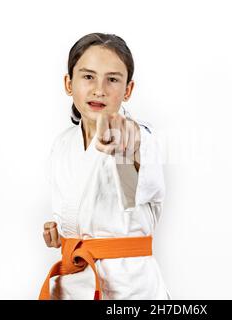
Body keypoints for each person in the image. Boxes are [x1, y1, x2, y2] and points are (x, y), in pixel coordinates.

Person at [40, 32, 171, 300]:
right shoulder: (62, 145)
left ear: (128, 90)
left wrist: (127, 147)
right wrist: (62, 234)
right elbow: (77, 211)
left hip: (128, 289)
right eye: (88, 76)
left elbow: (132, 187)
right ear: (68, 83)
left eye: (112, 79)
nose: (99, 89)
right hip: (72, 283)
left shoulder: (139, 138)